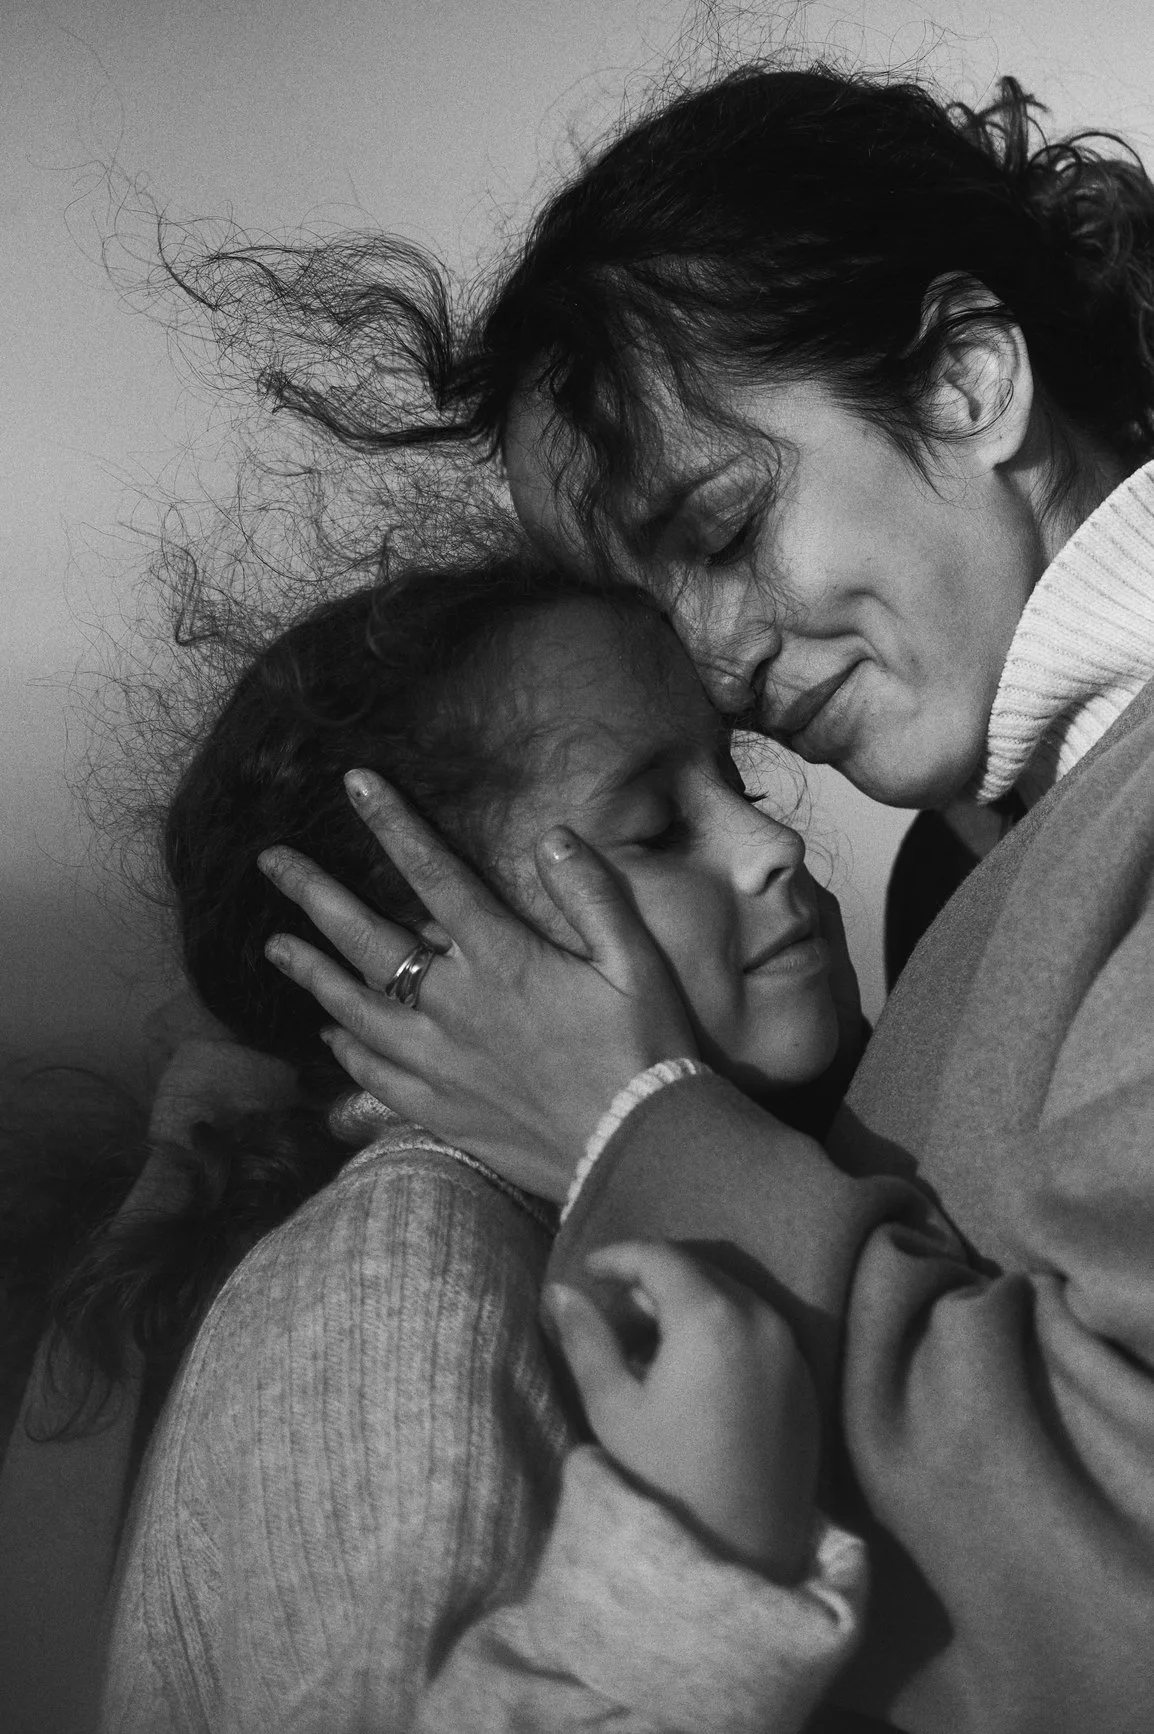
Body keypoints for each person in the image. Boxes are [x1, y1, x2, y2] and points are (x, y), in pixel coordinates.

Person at [253, 64, 1154, 1734]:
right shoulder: (965, 856)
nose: (722, 658)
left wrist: (629, 1131)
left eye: (723, 522)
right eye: (656, 610)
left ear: (966, 380)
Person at [95, 554, 870, 1733]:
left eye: (737, 782)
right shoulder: (401, 1277)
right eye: (657, 827)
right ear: (424, 966)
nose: (772, 847)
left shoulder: (564, 1213)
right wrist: (713, 1550)